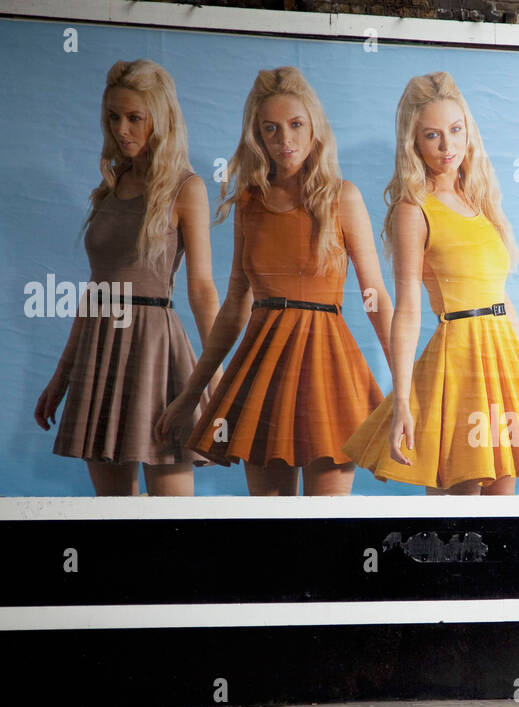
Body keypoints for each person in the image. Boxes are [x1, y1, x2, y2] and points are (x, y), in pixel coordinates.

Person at [155, 67, 392, 495]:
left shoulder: (343, 197)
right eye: (272, 129)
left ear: (313, 125)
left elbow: (375, 297)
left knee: (327, 529)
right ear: (258, 137)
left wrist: (407, 390)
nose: (286, 140)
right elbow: (233, 307)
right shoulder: (249, 203)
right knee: (273, 531)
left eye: (296, 125)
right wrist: (190, 394)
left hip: (329, 368)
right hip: (262, 371)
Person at [342, 71, 519, 494]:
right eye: (432, 135)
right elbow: (409, 308)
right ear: (414, 141)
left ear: (469, 130)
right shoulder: (413, 210)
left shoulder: (482, 201)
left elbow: (500, 297)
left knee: (501, 510)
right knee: (456, 514)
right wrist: (402, 402)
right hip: (457, 364)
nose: (447, 146)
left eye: (455, 130)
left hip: (503, 362)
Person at [35, 59, 218, 495]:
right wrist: (61, 377)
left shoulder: (186, 187)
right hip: (99, 350)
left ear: (161, 117)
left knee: (173, 521)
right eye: (114, 118)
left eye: (135, 118)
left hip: (156, 348)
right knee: (113, 515)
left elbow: (202, 290)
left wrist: (219, 377)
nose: (122, 129)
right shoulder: (109, 187)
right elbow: (96, 291)